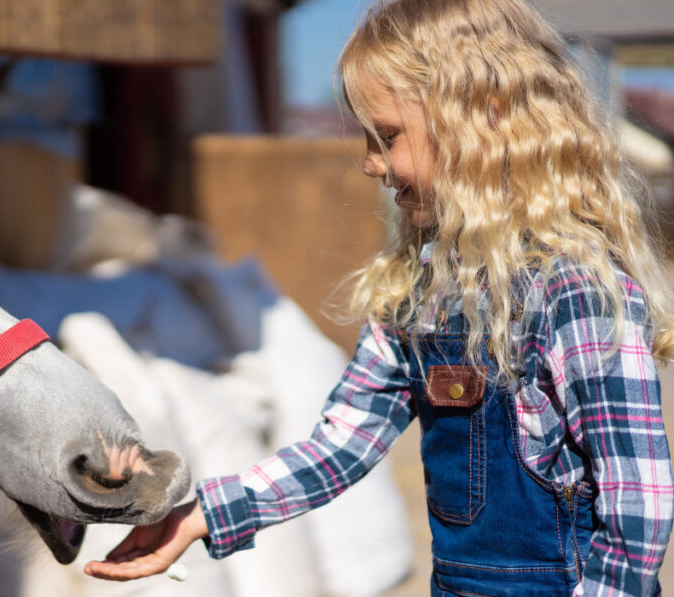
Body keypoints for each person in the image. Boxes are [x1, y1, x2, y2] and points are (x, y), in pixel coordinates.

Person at [83, 0, 674, 594]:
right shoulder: (418, 294)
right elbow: (342, 443)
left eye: (387, 136)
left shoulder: (575, 291)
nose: (371, 164)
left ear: (486, 122)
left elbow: (638, 505)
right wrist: (206, 515)